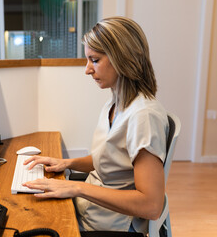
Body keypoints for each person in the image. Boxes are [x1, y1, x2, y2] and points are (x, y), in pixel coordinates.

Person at [22, 16, 169, 235]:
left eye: (95, 60)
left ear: (123, 58)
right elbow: (110, 159)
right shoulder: (117, 102)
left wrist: (76, 187)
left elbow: (151, 205)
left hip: (109, 225)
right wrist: (66, 163)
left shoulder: (143, 116)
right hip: (91, 210)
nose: (87, 69)